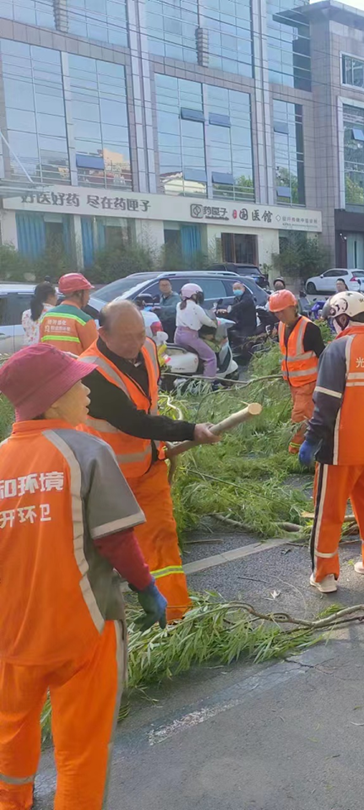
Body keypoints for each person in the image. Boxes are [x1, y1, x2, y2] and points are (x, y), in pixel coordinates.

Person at [0, 343, 168, 810]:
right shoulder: (88, 450)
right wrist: (147, 588)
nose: (87, 392)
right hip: (84, 630)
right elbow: (116, 541)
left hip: (12, 634)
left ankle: (12, 801)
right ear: (52, 399)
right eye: (78, 384)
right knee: (81, 749)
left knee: (11, 729)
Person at [79, 300, 221, 621]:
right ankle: (100, 625)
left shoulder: (145, 350)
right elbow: (134, 421)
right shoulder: (91, 371)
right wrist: (190, 430)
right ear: (102, 332)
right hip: (107, 480)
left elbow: (150, 403)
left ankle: (173, 615)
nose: (135, 343)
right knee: (104, 552)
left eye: (140, 334)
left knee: (161, 538)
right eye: (126, 337)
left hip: (148, 467)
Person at [299, 292, 364, 593]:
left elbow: (325, 402)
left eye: (332, 320)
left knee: (328, 511)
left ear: (342, 316)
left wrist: (311, 439)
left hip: (340, 448)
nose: (331, 326)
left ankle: (324, 574)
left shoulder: (338, 350)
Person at [269, 289, 324, 454]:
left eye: (282, 311)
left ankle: (295, 451)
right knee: (307, 417)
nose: (279, 316)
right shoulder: (281, 327)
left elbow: (323, 355)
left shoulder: (309, 329)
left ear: (293, 307)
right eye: (276, 313)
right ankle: (315, 445)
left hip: (308, 384)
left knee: (300, 417)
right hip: (294, 384)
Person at [38, 273, 98, 355]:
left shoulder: (47, 317)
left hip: (51, 367)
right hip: (77, 367)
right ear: (79, 293)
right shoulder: (84, 320)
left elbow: (41, 347)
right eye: (87, 292)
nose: (89, 297)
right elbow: (94, 353)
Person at [175, 283, 219, 379]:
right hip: (190, 336)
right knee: (210, 357)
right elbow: (205, 320)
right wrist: (214, 324)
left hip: (178, 335)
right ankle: (208, 383)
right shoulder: (196, 307)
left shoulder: (179, 305)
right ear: (194, 295)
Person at [217, 281, 258, 365]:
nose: (236, 290)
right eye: (235, 289)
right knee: (227, 331)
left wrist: (231, 309)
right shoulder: (236, 298)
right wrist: (225, 312)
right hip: (239, 322)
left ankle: (247, 359)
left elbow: (240, 306)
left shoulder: (247, 297)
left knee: (245, 340)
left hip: (248, 324)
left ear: (243, 288)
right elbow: (233, 309)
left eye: (239, 288)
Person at [21, 281, 57, 345]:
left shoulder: (26, 314)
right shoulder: (55, 312)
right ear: (50, 296)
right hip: (46, 350)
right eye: (56, 295)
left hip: (29, 350)